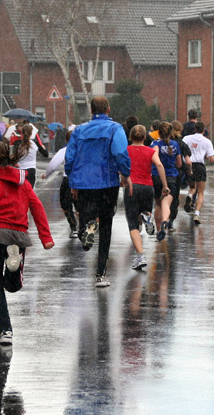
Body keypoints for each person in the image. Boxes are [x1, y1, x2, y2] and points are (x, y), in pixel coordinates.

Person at [0, 142, 54, 345]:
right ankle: (14, 266)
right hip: (19, 236)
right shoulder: (23, 183)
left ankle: (6, 329)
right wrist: (46, 238)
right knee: (13, 285)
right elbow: (37, 208)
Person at [65, 96, 132, 288]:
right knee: (107, 226)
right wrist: (126, 174)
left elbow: (69, 157)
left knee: (85, 217)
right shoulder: (115, 129)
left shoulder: (79, 130)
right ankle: (101, 274)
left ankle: (88, 228)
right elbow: (120, 153)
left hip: (84, 182)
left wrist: (71, 176)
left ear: (91, 110)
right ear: (108, 109)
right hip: (107, 181)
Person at [125, 125, 168, 270]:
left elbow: (119, 166)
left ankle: (140, 256)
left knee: (132, 224)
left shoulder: (126, 150)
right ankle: (147, 216)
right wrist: (164, 185)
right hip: (147, 187)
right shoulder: (150, 151)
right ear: (145, 137)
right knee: (145, 210)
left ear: (130, 137)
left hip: (132, 187)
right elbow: (159, 165)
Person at [42, 129, 78, 238]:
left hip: (68, 180)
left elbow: (53, 165)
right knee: (81, 204)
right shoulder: (84, 150)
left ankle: (73, 226)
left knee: (65, 204)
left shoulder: (65, 150)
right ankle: (85, 225)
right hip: (82, 181)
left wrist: (47, 174)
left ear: (67, 140)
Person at [150, 121, 182, 242]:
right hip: (171, 177)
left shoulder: (155, 143)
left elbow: (153, 158)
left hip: (156, 177)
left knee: (158, 204)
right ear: (170, 133)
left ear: (159, 132)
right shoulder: (175, 145)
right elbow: (179, 163)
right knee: (166, 204)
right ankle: (165, 221)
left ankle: (159, 230)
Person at [181, 121, 214, 224]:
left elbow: (182, 149)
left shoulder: (186, 138)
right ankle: (197, 213)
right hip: (200, 166)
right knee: (200, 192)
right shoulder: (206, 141)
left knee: (192, 187)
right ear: (204, 130)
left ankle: (190, 196)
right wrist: (210, 157)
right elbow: (212, 158)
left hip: (189, 165)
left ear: (195, 129)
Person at [168, 120, 192, 229]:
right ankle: (170, 221)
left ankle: (162, 218)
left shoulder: (164, 141)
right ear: (180, 130)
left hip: (162, 172)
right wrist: (189, 171)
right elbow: (187, 161)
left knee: (162, 198)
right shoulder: (181, 144)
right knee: (174, 197)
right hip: (176, 173)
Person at [9, 122, 46, 187]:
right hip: (31, 170)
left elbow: (14, 157)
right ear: (31, 133)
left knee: (20, 193)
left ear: (21, 133)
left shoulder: (17, 143)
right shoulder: (35, 144)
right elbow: (46, 154)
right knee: (29, 192)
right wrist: (42, 148)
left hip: (20, 171)